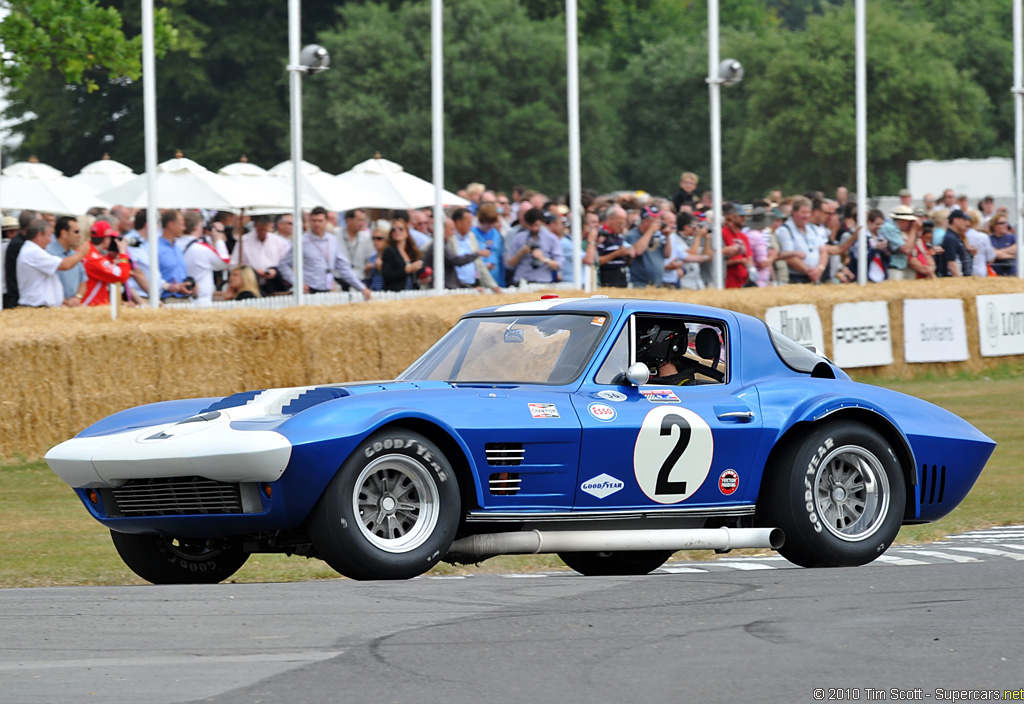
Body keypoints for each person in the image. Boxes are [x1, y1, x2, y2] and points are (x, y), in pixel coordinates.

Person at [280, 206, 371, 299]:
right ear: (309, 221)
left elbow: (343, 267)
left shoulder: (333, 240)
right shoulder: (302, 241)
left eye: (320, 221)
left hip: (328, 288)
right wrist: (297, 282)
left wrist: (361, 287)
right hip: (309, 289)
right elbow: (284, 264)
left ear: (326, 221)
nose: (316, 224)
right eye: (314, 220)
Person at [16, 218, 89, 307]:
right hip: (36, 307)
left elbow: (82, 280)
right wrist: (81, 253)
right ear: (39, 236)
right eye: (48, 235)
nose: (50, 240)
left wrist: (77, 298)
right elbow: (65, 265)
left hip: (41, 308)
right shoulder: (33, 252)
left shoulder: (33, 251)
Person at [181, 211, 230, 305]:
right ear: (196, 227)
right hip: (201, 300)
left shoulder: (175, 245)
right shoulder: (201, 248)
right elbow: (224, 262)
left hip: (181, 298)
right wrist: (219, 240)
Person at [776, 196, 828, 284]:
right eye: (803, 212)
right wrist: (809, 272)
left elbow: (823, 251)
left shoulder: (813, 229)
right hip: (797, 278)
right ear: (794, 212)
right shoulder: (785, 230)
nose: (806, 216)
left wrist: (820, 269)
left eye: (808, 212)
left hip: (816, 276)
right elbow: (789, 257)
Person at [504, 208, 563, 285]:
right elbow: (508, 265)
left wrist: (544, 259)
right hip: (522, 282)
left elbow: (560, 265)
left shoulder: (551, 239)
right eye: (531, 225)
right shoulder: (519, 238)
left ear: (542, 223)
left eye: (536, 225)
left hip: (543, 282)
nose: (534, 228)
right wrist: (521, 253)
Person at [81, 221, 133, 306]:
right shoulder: (93, 258)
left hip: (94, 305)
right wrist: (123, 253)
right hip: (91, 306)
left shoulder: (88, 251)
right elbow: (122, 276)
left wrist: (111, 256)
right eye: (110, 238)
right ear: (105, 240)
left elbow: (104, 267)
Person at [46, 216, 87, 306]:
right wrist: (64, 301)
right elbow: (46, 283)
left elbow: (83, 281)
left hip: (72, 308)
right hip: (55, 307)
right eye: (76, 232)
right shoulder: (48, 253)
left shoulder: (74, 254)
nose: (79, 235)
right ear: (64, 233)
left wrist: (78, 297)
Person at [588, 204, 632, 288]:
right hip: (607, 278)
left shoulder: (619, 235)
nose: (622, 226)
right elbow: (597, 261)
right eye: (619, 223)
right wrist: (616, 254)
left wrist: (628, 254)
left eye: (624, 224)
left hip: (621, 276)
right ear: (611, 219)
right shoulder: (601, 235)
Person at [381, 216, 424, 291]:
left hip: (412, 291)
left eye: (401, 229)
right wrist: (407, 270)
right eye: (394, 230)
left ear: (407, 233)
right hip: (395, 292)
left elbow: (417, 274)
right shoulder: (389, 251)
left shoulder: (412, 251)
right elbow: (387, 275)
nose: (397, 232)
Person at [338, 209, 373, 290]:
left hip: (359, 281)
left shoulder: (366, 237)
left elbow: (369, 259)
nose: (362, 223)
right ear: (349, 220)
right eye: (359, 220)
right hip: (340, 280)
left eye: (364, 220)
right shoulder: (336, 235)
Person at [880, 205, 919, 280]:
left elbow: (910, 249)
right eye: (910, 221)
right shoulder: (890, 228)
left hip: (902, 267)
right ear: (903, 220)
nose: (911, 224)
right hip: (893, 268)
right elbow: (906, 250)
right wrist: (913, 230)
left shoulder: (899, 230)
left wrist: (914, 232)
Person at [474, 203, 504, 287]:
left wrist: (502, 283)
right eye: (487, 223)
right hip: (479, 282)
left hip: (496, 281)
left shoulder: (496, 234)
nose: (490, 226)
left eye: (492, 223)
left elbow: (500, 258)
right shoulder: (472, 234)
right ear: (481, 220)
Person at [936, 210, 972, 277]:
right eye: (964, 220)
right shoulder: (950, 238)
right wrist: (960, 281)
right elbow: (951, 263)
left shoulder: (954, 237)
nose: (966, 223)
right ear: (956, 220)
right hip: (954, 279)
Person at [364, 221, 390, 291]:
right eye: (373, 238)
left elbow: (394, 278)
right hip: (374, 294)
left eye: (379, 238)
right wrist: (367, 273)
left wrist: (381, 269)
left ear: (386, 240)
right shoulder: (372, 258)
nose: (375, 241)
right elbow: (368, 283)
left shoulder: (391, 257)